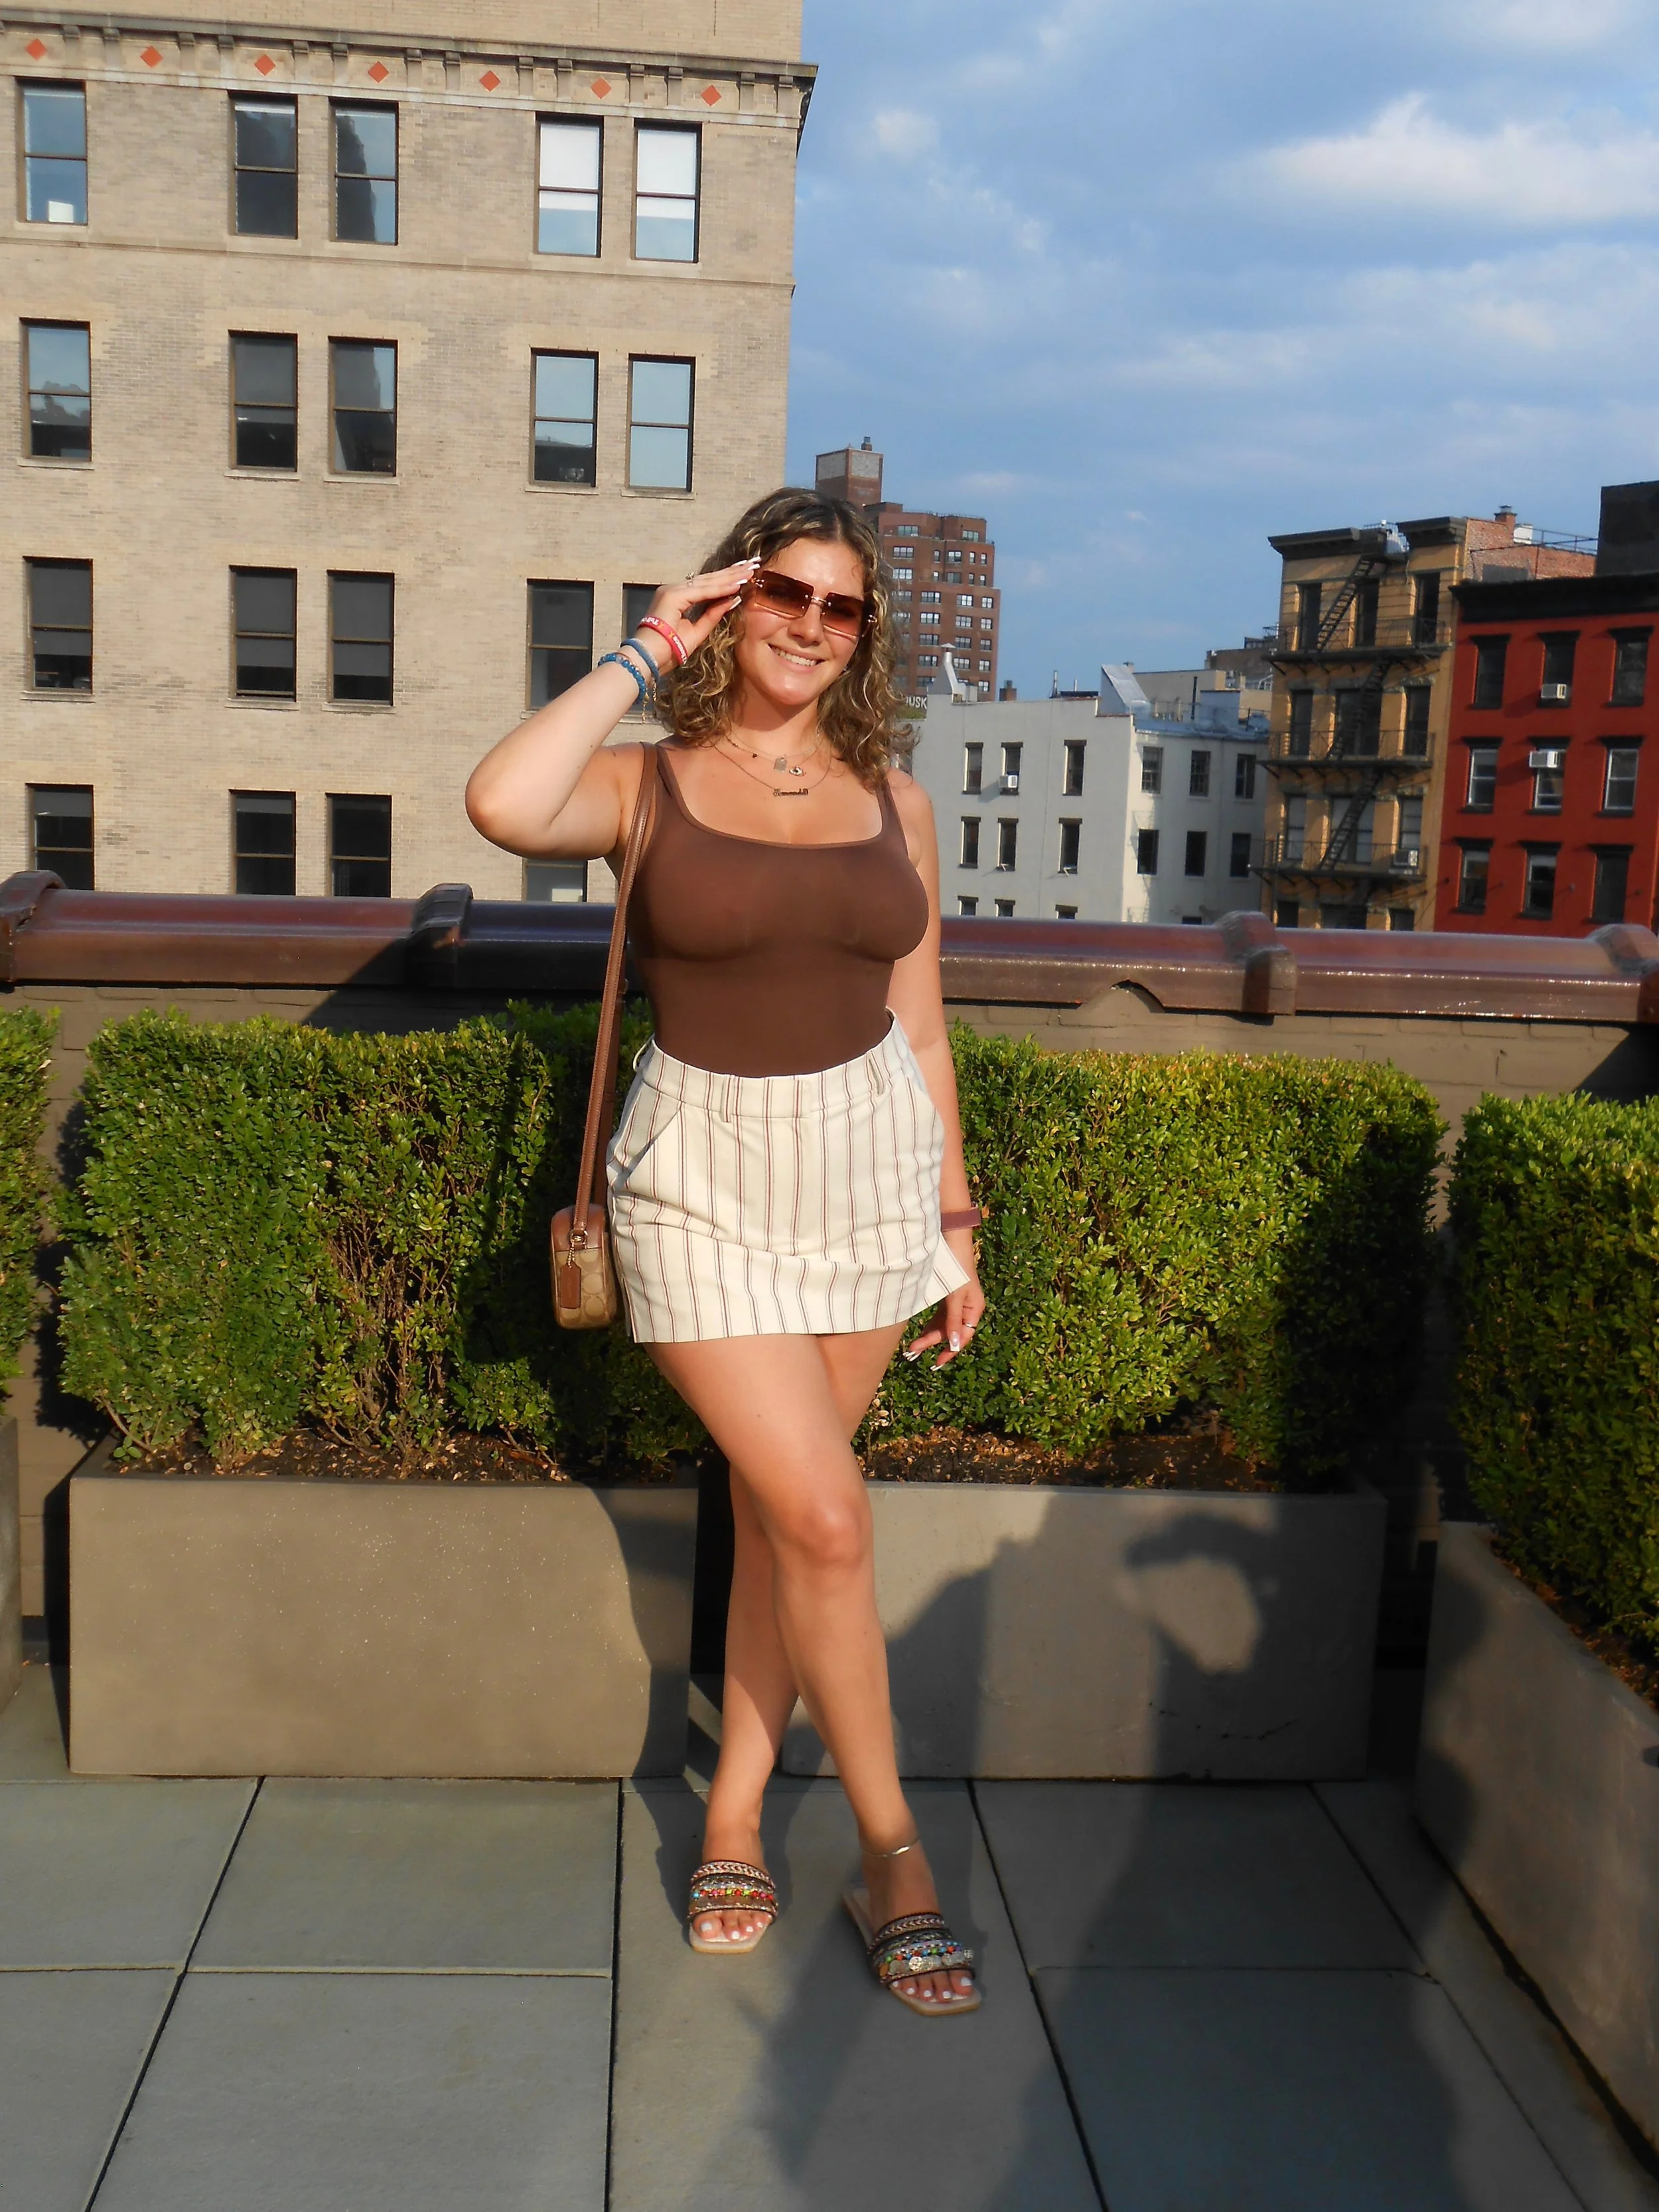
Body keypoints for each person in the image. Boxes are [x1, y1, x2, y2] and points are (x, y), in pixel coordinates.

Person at [466, 486, 985, 2016]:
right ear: (732, 599)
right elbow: (504, 799)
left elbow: (924, 1016)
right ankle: (894, 1844)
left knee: (782, 1522)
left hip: (869, 1169)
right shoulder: (646, 784)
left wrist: (952, 1218)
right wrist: (643, 646)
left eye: (841, 609)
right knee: (826, 1516)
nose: (810, 628)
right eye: (783, 595)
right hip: (698, 1177)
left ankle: (736, 1816)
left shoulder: (895, 800)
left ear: (863, 635)